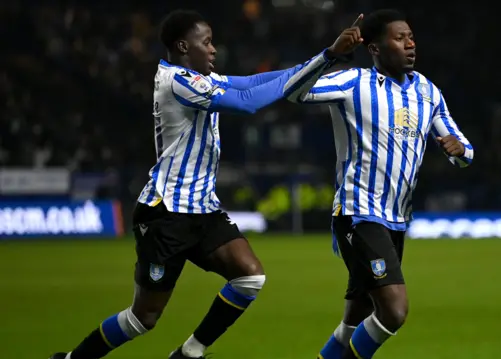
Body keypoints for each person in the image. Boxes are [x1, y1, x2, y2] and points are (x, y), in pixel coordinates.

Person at [49, 9, 362, 359]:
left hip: (203, 210)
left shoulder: (199, 78)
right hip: (165, 214)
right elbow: (248, 103)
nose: (214, 49)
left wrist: (321, 61)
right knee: (143, 317)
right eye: (207, 42)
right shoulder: (178, 82)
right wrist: (327, 56)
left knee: (249, 277)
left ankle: (189, 353)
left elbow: (254, 82)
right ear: (184, 46)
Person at [291, 9, 474, 359]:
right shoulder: (352, 82)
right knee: (393, 310)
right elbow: (296, 92)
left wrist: (458, 149)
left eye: (411, 37)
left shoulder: (428, 92)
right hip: (359, 213)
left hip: (396, 220)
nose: (410, 44)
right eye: (400, 38)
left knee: (353, 321)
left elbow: (465, 151)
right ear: (374, 48)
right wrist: (330, 54)